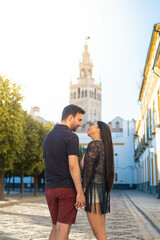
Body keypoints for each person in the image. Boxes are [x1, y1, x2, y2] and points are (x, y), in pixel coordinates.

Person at [43, 104, 86, 240]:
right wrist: (80, 192)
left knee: (55, 227)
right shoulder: (71, 137)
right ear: (70, 117)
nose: (80, 124)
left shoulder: (48, 137)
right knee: (62, 230)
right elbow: (73, 166)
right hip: (66, 190)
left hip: (50, 189)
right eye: (79, 120)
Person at [80, 121, 114, 240]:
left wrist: (81, 192)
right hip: (100, 190)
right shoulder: (104, 146)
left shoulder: (94, 145)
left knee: (99, 233)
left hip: (93, 190)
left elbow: (88, 172)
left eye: (93, 125)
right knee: (100, 232)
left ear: (99, 130)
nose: (89, 127)